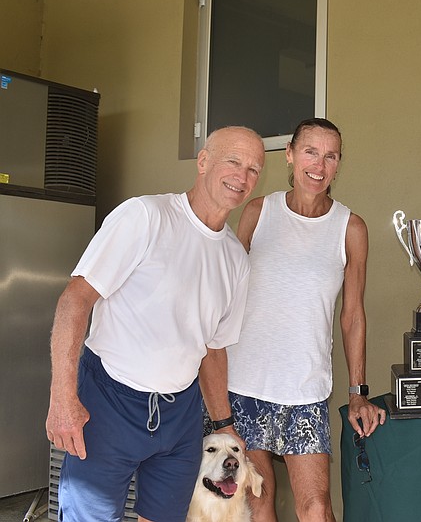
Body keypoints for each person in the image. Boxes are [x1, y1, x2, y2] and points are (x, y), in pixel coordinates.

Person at [45, 126, 266, 522]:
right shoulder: (146, 215)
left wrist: (225, 424)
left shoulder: (235, 258)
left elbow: (213, 348)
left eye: (254, 168)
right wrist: (63, 397)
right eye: (233, 161)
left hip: (180, 414)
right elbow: (74, 300)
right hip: (108, 400)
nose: (243, 175)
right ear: (203, 161)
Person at [222, 117, 385, 522]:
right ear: (291, 155)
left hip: (306, 388)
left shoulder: (350, 227)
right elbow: (224, 294)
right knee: (256, 504)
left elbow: (352, 315)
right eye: (311, 151)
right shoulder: (258, 212)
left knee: (315, 508)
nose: (319, 164)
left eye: (331, 156)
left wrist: (357, 391)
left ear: (339, 164)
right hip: (245, 383)